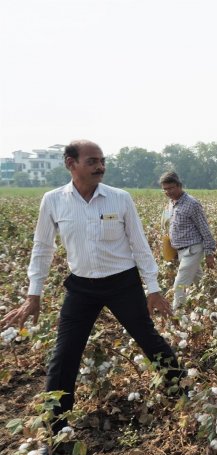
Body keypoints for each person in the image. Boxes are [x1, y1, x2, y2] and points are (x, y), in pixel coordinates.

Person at [0, 140, 182, 434]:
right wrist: (33, 295)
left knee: (148, 339)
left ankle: (182, 393)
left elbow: (139, 245)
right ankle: (56, 428)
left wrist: (153, 289)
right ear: (70, 164)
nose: (100, 166)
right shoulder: (53, 200)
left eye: (102, 160)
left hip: (123, 283)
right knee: (65, 353)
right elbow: (42, 248)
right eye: (92, 161)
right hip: (81, 288)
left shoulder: (119, 198)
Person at [159, 171, 217, 309]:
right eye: (165, 189)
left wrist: (209, 253)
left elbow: (204, 228)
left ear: (179, 185)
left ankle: (177, 314)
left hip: (192, 250)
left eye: (171, 188)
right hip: (180, 250)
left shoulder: (192, 204)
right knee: (201, 281)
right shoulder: (171, 203)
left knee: (179, 285)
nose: (168, 192)